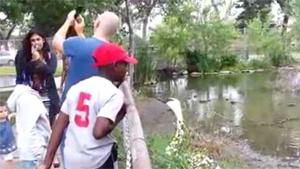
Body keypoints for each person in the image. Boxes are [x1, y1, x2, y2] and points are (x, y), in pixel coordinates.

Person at [38, 43, 137, 169]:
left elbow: (59, 125)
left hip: (72, 159)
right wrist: (120, 115)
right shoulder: (114, 94)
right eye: (125, 65)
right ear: (115, 65)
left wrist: (47, 162)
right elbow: (98, 132)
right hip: (96, 161)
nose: (127, 69)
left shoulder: (78, 87)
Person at [52, 10, 120, 102]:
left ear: (97, 23)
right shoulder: (116, 53)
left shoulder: (78, 44)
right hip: (97, 108)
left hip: (71, 109)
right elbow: (90, 50)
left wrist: (68, 21)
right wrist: (80, 32)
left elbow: (56, 41)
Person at [7, 61, 52, 169]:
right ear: (35, 78)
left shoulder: (25, 95)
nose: (44, 83)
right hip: (33, 155)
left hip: (29, 153)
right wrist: (40, 156)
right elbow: (29, 129)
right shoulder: (29, 100)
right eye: (44, 79)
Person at [14, 29, 60, 127]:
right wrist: (33, 60)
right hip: (30, 95)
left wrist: (38, 60)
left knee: (49, 125)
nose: (36, 43)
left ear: (43, 40)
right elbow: (21, 75)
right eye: (33, 40)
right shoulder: (22, 56)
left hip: (48, 94)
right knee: (33, 126)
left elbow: (50, 71)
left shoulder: (50, 56)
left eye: (38, 39)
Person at [0, 101, 17, 169]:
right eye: (1, 112)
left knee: (9, 160)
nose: (4, 113)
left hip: (8, 145)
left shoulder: (7, 119)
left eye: (5, 111)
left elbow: (13, 114)